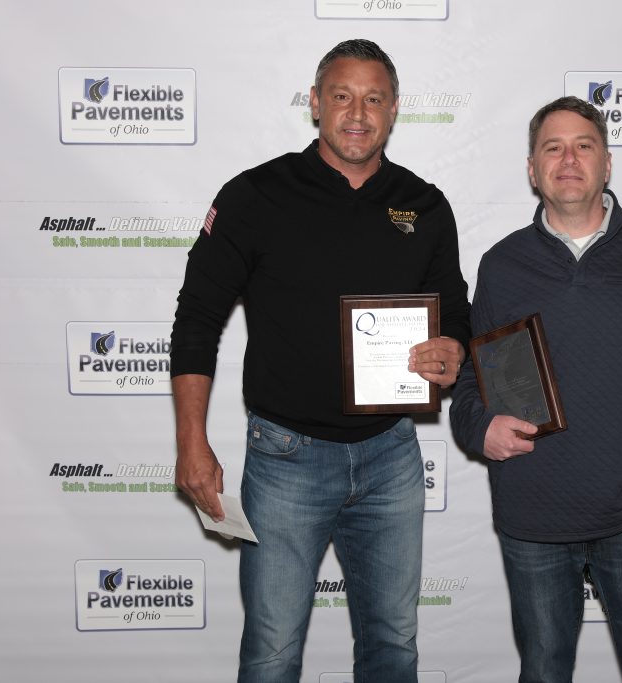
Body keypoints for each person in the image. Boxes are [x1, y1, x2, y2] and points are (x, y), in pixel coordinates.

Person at [170, 39, 470, 683]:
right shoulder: (255, 196)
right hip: (285, 461)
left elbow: (456, 316)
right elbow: (195, 319)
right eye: (341, 96)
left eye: (373, 99)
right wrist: (190, 440)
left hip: (392, 453)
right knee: (273, 652)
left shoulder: (426, 204)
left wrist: (454, 350)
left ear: (394, 111)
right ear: (314, 103)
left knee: (394, 645)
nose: (357, 113)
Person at [449, 96, 622, 683]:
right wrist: (481, 428)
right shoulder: (504, 265)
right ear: (532, 169)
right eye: (552, 147)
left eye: (584, 145)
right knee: (544, 672)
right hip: (534, 515)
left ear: (607, 163)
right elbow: (476, 379)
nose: (568, 159)